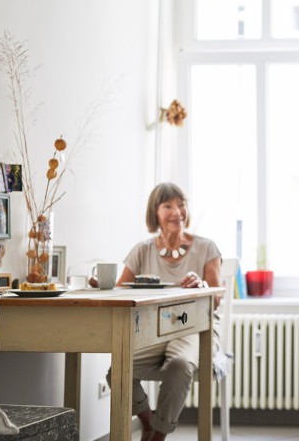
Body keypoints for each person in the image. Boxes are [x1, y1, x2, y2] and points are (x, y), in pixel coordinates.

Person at [110, 182, 222, 441]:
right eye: (168, 205)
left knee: (179, 366)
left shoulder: (206, 248)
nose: (177, 211)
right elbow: (119, 292)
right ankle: (148, 422)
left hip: (196, 329)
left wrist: (203, 286)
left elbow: (216, 298)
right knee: (117, 372)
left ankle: (157, 437)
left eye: (181, 204)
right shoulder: (142, 250)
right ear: (155, 213)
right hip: (154, 330)